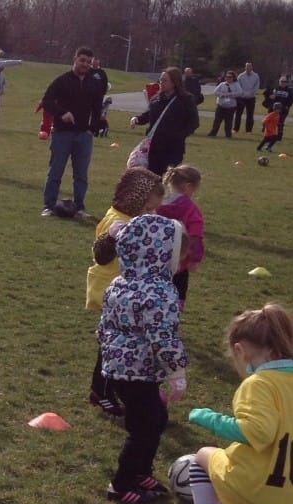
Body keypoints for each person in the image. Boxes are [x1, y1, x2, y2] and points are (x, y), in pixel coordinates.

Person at [182, 303, 293, 504]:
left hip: (252, 483)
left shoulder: (260, 384)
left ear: (241, 350)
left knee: (202, 455)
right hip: (285, 496)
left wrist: (206, 417)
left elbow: (256, 432)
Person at [98, 213, 189, 504]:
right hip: (137, 370)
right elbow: (163, 335)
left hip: (120, 368)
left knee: (155, 419)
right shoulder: (160, 292)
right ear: (161, 255)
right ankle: (121, 484)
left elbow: (104, 324)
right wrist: (177, 372)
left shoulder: (119, 283)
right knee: (143, 428)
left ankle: (140, 472)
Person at [85, 167, 165, 417]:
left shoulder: (134, 218)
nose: (152, 212)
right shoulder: (116, 221)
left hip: (129, 294)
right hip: (113, 292)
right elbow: (101, 255)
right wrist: (112, 237)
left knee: (116, 344)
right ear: (136, 198)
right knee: (111, 345)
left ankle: (113, 388)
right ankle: (102, 391)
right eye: (149, 207)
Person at [40, 47, 105, 217]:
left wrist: (93, 129)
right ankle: (49, 205)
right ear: (74, 59)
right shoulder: (61, 80)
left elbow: (98, 108)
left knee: (81, 174)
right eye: (82, 60)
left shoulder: (94, 83)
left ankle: (79, 207)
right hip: (62, 133)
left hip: (84, 136)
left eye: (88, 62)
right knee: (55, 171)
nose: (85, 64)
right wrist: (62, 113)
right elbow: (46, 101)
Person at [130, 67, 199, 178]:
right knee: (152, 180)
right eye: (160, 80)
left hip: (173, 149)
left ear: (175, 82)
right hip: (154, 147)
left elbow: (194, 122)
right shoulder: (156, 99)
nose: (161, 83)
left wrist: (179, 136)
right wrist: (137, 119)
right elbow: (148, 115)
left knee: (167, 180)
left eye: (164, 80)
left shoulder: (186, 100)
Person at [156, 165, 204, 308]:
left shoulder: (156, 203)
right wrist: (194, 258)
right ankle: (171, 319)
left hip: (155, 258)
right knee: (177, 295)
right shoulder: (190, 208)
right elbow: (195, 234)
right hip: (179, 262)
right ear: (188, 186)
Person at [207, 70, 243, 138]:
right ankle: (213, 133)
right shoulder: (222, 84)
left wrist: (230, 94)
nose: (228, 78)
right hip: (221, 106)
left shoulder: (236, 84)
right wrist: (222, 95)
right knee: (217, 121)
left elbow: (240, 92)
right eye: (227, 77)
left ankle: (228, 134)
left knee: (228, 122)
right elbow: (215, 92)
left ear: (233, 78)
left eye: (230, 77)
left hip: (230, 107)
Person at [262, 75, 291, 140]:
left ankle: (279, 137)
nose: (283, 83)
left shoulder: (289, 90)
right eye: (282, 81)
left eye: (285, 81)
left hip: (283, 109)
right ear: (279, 82)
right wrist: (270, 96)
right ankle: (268, 135)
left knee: (280, 123)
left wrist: (286, 105)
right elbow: (265, 93)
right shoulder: (274, 88)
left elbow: (291, 100)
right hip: (273, 109)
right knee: (269, 121)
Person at [234, 62, 261, 133]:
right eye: (247, 67)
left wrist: (250, 93)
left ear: (252, 68)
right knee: (238, 114)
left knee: (250, 114)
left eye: (250, 67)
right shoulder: (240, 76)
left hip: (251, 97)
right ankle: (236, 129)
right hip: (242, 97)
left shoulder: (256, 76)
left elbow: (256, 86)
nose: (248, 68)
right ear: (245, 68)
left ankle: (248, 130)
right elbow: (238, 86)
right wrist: (244, 93)